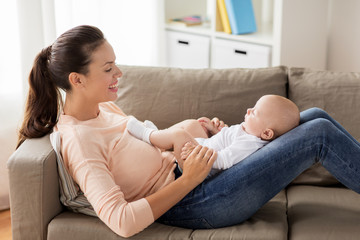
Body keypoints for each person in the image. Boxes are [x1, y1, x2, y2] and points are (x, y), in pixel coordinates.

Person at [17, 25, 360, 238]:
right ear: (77, 80)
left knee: (313, 115)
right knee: (318, 134)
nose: (119, 72)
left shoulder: (103, 109)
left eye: (115, 63)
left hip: (195, 175)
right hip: (196, 201)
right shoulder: (80, 140)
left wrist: (191, 134)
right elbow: (121, 222)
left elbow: (149, 138)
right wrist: (189, 179)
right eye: (108, 69)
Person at [126, 95, 300, 175]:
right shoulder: (249, 132)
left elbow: (224, 160)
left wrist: (197, 151)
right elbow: (229, 137)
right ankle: (160, 137)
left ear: (267, 133)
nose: (248, 110)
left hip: (199, 167)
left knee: (179, 136)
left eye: (255, 112)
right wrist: (216, 131)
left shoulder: (250, 144)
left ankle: (147, 134)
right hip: (201, 150)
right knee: (188, 128)